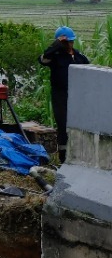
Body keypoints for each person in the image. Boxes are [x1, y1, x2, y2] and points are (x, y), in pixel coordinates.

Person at [40, 26, 90, 161]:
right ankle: (64, 158)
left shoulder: (80, 57)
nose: (69, 44)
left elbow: (90, 72)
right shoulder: (54, 58)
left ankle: (80, 156)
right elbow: (43, 59)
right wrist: (56, 44)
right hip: (60, 98)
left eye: (71, 42)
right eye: (66, 42)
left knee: (80, 126)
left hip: (78, 98)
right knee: (63, 127)